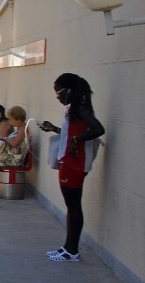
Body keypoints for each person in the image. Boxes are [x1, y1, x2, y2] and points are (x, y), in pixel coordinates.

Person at [39, 73, 105, 262]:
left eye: (58, 92)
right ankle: (67, 247)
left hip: (75, 164)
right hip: (68, 162)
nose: (57, 96)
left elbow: (98, 130)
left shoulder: (81, 109)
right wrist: (55, 129)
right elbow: (71, 133)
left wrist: (78, 139)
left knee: (74, 207)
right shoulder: (74, 109)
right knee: (71, 207)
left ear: (69, 90)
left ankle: (72, 251)